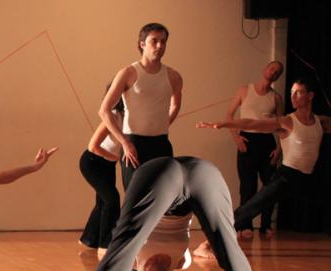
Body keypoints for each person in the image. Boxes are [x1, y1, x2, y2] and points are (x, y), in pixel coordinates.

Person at [65, 156, 265, 271]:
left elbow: (115, 262)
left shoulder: (132, 261)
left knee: (123, 248)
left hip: (157, 175)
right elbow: (229, 255)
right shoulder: (183, 261)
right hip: (203, 174)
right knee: (228, 248)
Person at [198, 78, 331, 232]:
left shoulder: (321, 122)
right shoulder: (287, 121)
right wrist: (223, 124)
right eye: (291, 92)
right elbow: (252, 124)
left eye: (299, 92)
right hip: (286, 177)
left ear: (310, 96)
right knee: (251, 207)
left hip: (307, 179)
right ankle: (213, 238)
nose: (293, 96)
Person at [99, 22, 183, 188]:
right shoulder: (128, 73)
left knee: (164, 195)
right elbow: (104, 110)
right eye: (154, 41)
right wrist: (124, 142)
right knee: (135, 197)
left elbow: (175, 105)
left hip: (161, 143)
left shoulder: (174, 76)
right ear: (142, 44)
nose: (159, 45)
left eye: (163, 41)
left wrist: (163, 124)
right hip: (134, 144)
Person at [224, 61, 284, 238]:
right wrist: (236, 138)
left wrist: (279, 149)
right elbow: (229, 115)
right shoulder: (244, 90)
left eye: (277, 72)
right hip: (247, 141)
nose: (273, 72)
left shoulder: (276, 97)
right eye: (272, 68)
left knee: (270, 186)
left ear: (278, 77)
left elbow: (282, 125)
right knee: (247, 186)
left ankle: (265, 225)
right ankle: (245, 225)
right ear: (265, 69)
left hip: (267, 143)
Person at [79, 87, 123, 257]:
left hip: (107, 164)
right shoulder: (113, 116)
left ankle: (89, 239)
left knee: (103, 202)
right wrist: (116, 158)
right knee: (112, 200)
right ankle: (106, 244)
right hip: (92, 162)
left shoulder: (128, 118)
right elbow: (93, 146)